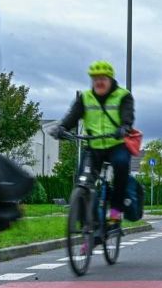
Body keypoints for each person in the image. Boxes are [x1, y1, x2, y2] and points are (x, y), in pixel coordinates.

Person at [51, 61, 135, 221]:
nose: (99, 82)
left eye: (103, 78)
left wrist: (124, 126)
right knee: (83, 182)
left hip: (116, 145)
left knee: (121, 166)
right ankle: (90, 227)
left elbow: (127, 116)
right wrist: (62, 127)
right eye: (95, 78)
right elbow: (72, 116)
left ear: (110, 80)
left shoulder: (123, 96)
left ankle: (116, 211)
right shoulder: (86, 98)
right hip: (94, 147)